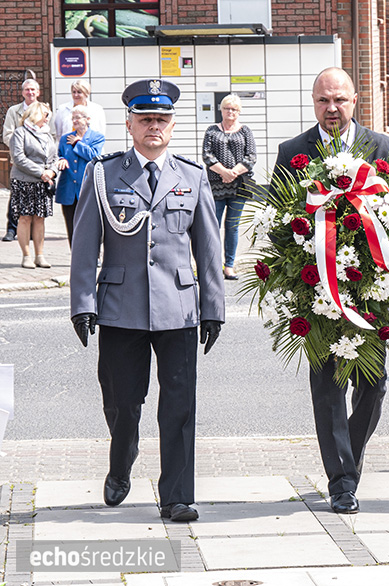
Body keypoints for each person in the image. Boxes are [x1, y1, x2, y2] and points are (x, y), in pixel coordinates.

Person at [69, 79, 225, 522]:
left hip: (178, 307)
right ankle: (122, 461)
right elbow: (84, 245)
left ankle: (177, 495)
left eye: (162, 119)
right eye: (146, 119)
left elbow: (209, 250)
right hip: (121, 308)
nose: (154, 126)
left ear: (173, 126)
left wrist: (213, 308)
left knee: (179, 405)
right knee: (122, 403)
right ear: (130, 124)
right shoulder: (104, 173)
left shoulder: (192, 176)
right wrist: (83, 302)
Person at [270, 67, 389, 515]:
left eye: (340, 100)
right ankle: (342, 480)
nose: (332, 108)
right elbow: (276, 225)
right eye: (324, 100)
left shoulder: (383, 148)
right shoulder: (293, 153)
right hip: (316, 294)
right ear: (313, 102)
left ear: (355, 100)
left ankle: (348, 453)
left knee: (374, 386)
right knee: (327, 389)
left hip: (370, 293)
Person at [201, 94, 256, 280]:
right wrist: (223, 172)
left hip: (239, 185)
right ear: (221, 110)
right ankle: (213, 265)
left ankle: (229, 266)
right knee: (213, 226)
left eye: (234, 109)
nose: (230, 112)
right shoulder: (211, 130)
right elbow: (207, 156)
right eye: (227, 108)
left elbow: (251, 157)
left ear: (239, 111)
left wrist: (233, 173)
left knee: (232, 227)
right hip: (216, 186)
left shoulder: (245, 131)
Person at [9, 101, 58, 269]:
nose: (47, 119)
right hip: (24, 181)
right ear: (36, 115)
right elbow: (19, 158)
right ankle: (26, 256)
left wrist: (52, 171)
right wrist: (41, 172)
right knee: (25, 218)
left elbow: (54, 157)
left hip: (43, 183)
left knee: (40, 219)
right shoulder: (20, 133)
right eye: (45, 116)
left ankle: (40, 255)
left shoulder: (47, 135)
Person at [54, 105, 105, 246]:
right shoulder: (65, 139)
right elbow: (59, 155)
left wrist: (78, 143)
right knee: (71, 227)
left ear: (87, 119)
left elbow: (93, 156)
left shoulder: (97, 137)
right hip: (68, 189)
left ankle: (94, 256)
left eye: (77, 117)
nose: (74, 120)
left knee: (90, 226)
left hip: (87, 189)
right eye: (73, 118)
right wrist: (61, 159)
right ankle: (75, 258)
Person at [2, 78, 41, 242]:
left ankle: (33, 231)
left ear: (38, 92)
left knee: (36, 196)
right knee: (16, 195)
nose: (30, 93)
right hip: (19, 159)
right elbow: (7, 135)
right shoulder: (13, 111)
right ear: (22, 92)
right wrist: (21, 149)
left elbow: (50, 134)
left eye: (33, 90)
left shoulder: (44, 110)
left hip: (38, 161)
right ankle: (11, 229)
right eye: (27, 90)